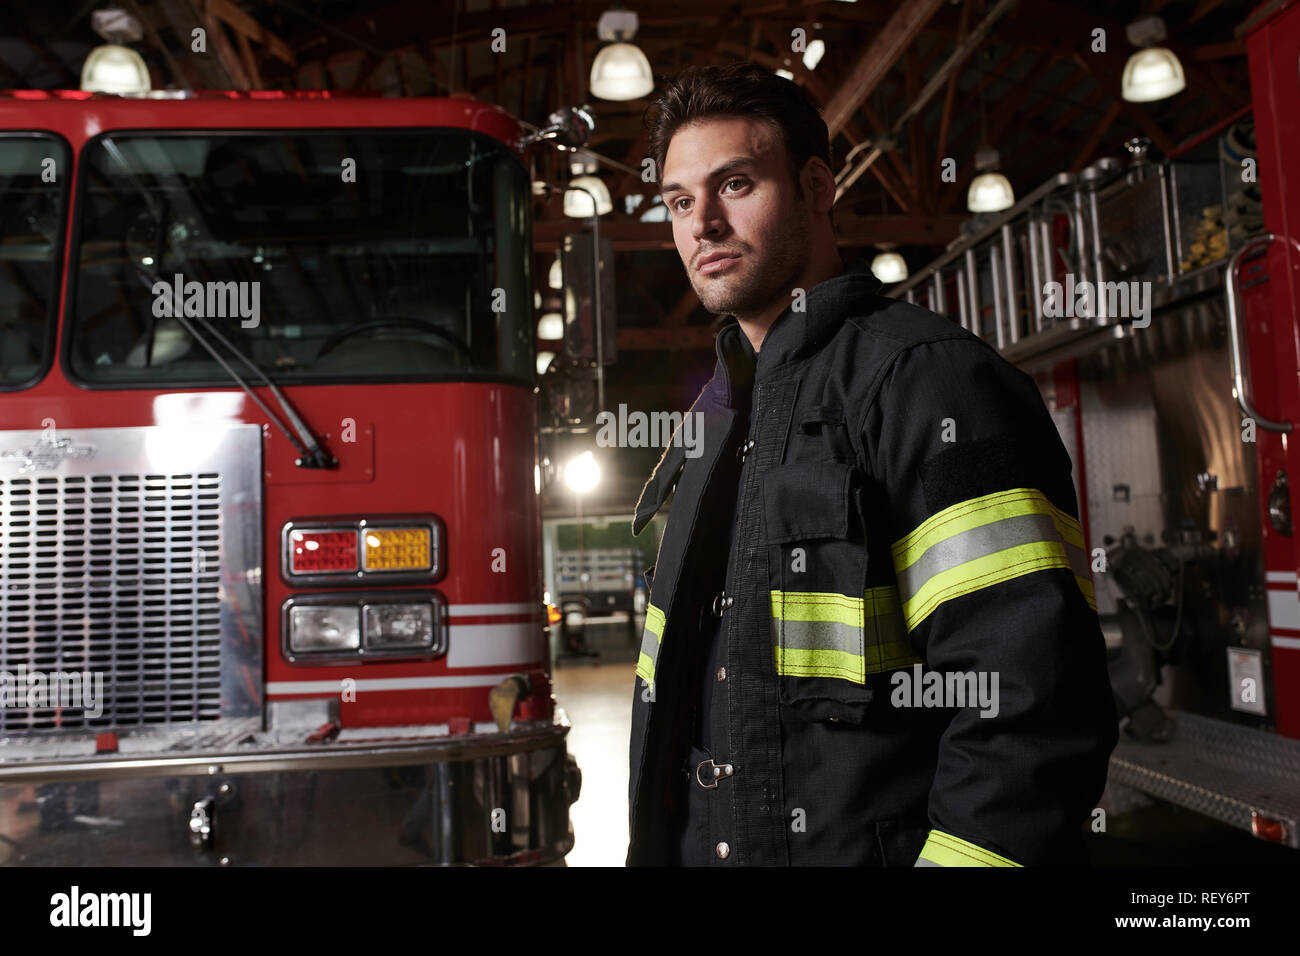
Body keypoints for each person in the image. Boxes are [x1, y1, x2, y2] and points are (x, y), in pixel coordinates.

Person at [626, 62, 1117, 867]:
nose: (702, 224)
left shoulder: (929, 382)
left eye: (736, 184)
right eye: (680, 202)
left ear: (818, 187)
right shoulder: (712, 420)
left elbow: (1029, 703)